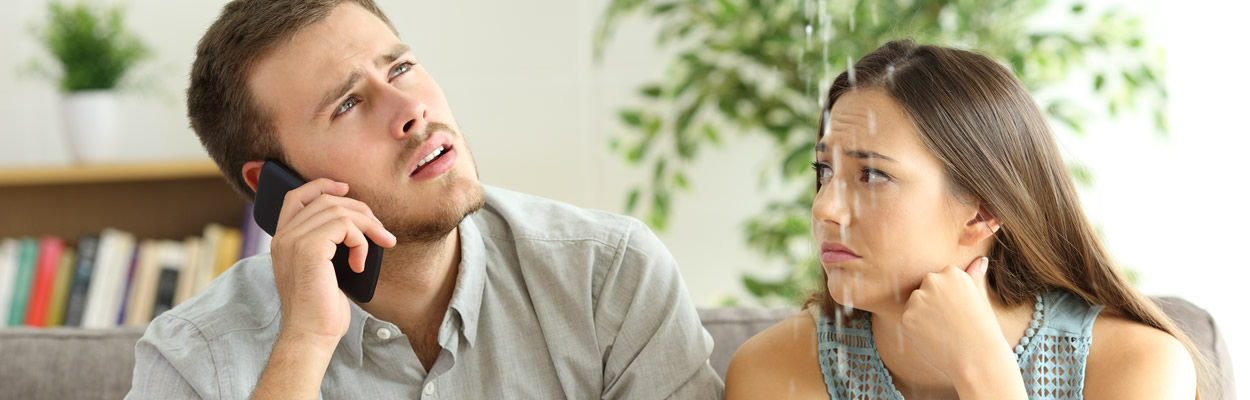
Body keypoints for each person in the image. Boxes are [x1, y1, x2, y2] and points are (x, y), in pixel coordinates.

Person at [125, 0, 722, 398]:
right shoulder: (193, 359)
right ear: (275, 185)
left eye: (403, 68)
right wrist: (304, 343)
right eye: (349, 104)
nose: (412, 111)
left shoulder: (609, 275)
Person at [725, 40, 1205, 399]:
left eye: (871, 174)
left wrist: (984, 372)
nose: (825, 207)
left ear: (981, 212)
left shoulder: (1139, 369)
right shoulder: (774, 372)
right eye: (825, 171)